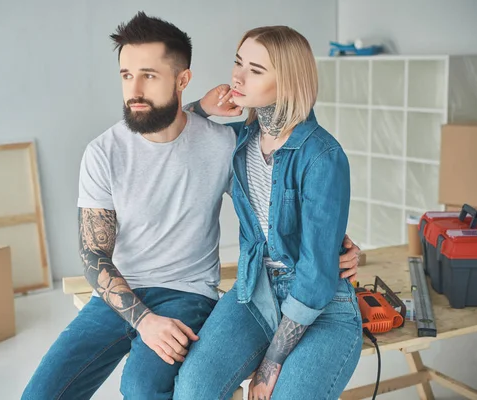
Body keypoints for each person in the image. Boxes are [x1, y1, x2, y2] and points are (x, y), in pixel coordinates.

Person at [21, 13, 360, 400]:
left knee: (143, 389)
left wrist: (338, 244)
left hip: (200, 292)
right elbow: (93, 251)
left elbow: (298, 203)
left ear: (181, 79)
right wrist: (197, 106)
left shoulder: (227, 145)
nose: (134, 88)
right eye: (126, 74)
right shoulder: (109, 151)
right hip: (169, 290)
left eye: (148, 75)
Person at [175, 26, 363, 400]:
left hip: (321, 306)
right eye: (238, 62)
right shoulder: (237, 142)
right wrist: (201, 108)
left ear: (288, 81)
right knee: (193, 389)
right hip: (253, 290)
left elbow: (315, 274)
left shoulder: (323, 155)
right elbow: (170, 134)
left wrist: (271, 362)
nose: (237, 76)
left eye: (256, 70)